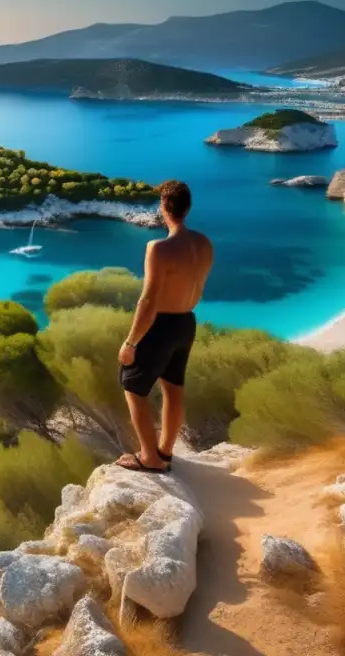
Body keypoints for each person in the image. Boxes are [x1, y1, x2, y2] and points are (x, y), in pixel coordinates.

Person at [115, 180, 213, 473]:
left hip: (161, 326)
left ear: (163, 207)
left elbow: (148, 301)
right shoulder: (204, 244)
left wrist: (131, 342)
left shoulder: (158, 248)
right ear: (188, 207)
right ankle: (166, 452)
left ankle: (149, 457)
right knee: (173, 389)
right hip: (186, 322)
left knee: (132, 386)